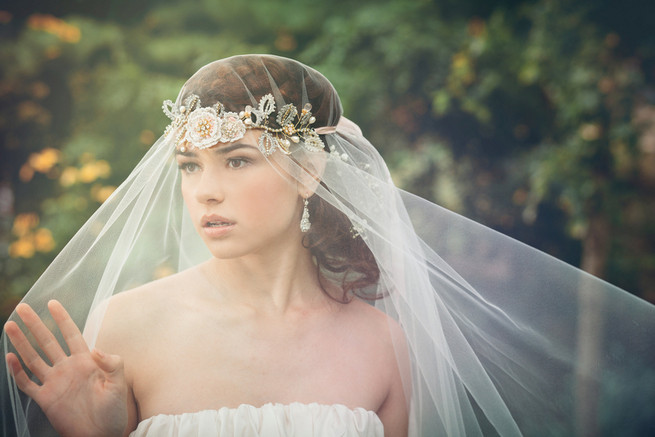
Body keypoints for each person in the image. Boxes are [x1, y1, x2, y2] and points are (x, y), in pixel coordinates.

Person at [2, 54, 654, 437]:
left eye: (234, 160)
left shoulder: (382, 343)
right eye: (189, 165)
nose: (204, 191)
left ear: (310, 171)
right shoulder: (128, 323)